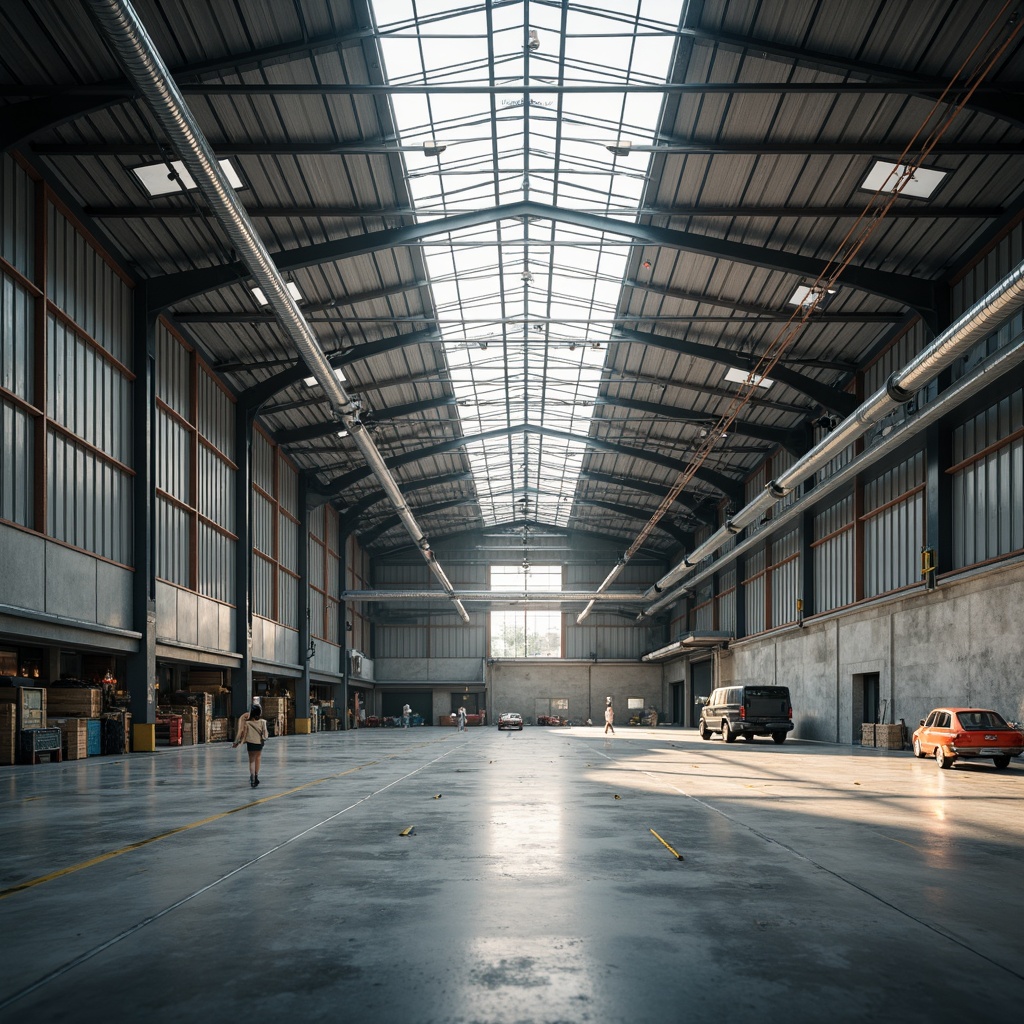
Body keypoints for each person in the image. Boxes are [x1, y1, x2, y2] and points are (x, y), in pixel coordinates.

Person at [233, 703, 269, 788]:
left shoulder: (247, 723)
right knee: (258, 758)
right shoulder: (262, 722)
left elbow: (241, 732)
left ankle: (252, 778)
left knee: (251, 761)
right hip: (259, 743)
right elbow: (265, 734)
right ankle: (256, 776)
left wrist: (236, 742)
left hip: (250, 743)